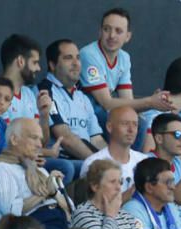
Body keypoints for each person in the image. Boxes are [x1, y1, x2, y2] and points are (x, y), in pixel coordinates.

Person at [0, 118, 70, 229]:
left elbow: (69, 206)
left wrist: (54, 192)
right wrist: (47, 191)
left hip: (58, 221)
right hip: (31, 228)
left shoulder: (39, 170)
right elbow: (12, 212)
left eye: (40, 139)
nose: (39, 145)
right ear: (14, 140)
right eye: (34, 138)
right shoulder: (3, 168)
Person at [78, 8, 171, 118]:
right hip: (85, 112)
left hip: (103, 112)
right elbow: (106, 103)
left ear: (127, 37)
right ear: (100, 32)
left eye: (118, 31)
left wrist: (154, 103)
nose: (112, 35)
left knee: (140, 120)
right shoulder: (89, 54)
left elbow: (128, 101)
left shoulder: (124, 58)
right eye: (106, 29)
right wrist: (149, 102)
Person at [39, 39, 105, 170]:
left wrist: (112, 160)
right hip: (64, 158)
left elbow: (96, 139)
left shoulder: (83, 97)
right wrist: (99, 165)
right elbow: (65, 138)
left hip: (86, 156)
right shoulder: (45, 91)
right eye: (68, 58)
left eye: (78, 58)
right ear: (52, 64)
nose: (76, 64)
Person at [80, 105, 148, 190]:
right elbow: (92, 201)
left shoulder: (145, 161)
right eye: (125, 124)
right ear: (109, 127)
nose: (131, 130)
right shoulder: (93, 163)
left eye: (135, 125)